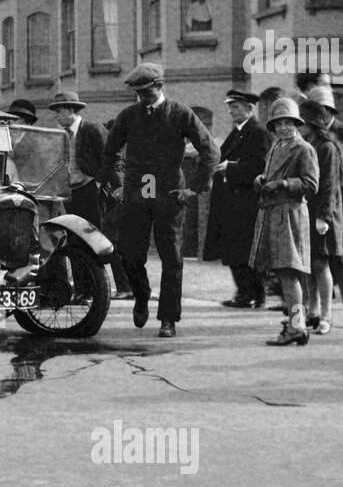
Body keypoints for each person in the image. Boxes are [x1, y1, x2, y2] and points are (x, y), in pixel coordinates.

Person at [101, 62, 219, 338]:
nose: (143, 98)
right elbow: (110, 153)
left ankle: (168, 318)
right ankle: (141, 296)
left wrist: (195, 188)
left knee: (172, 258)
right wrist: (116, 184)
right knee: (130, 254)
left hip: (169, 194)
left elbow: (210, 151)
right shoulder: (128, 116)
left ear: (160, 86)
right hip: (137, 193)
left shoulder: (180, 114)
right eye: (138, 94)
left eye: (147, 93)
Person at [250, 98, 319, 347]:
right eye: (279, 123)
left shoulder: (303, 149)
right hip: (273, 212)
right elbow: (271, 173)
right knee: (283, 272)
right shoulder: (276, 146)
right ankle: (296, 323)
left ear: (297, 124)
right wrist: (262, 178)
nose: (283, 128)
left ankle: (296, 326)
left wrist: (283, 184)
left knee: (289, 272)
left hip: (289, 214)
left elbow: (311, 185)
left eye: (288, 123)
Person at [48, 91, 130, 297]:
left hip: (92, 191)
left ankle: (123, 287)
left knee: (100, 238)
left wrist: (112, 185)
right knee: (75, 240)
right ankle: (84, 291)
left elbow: (113, 158)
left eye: (58, 111)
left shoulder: (93, 129)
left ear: (70, 110)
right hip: (70, 194)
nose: (55, 116)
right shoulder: (60, 135)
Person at [203, 89, 270, 308]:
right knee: (235, 251)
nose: (232, 112)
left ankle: (252, 294)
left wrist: (231, 168)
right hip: (233, 203)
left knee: (245, 252)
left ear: (250, 108)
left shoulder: (258, 132)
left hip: (246, 203)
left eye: (236, 107)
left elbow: (261, 166)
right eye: (231, 107)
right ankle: (244, 293)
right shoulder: (240, 131)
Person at [307, 85, 343, 329]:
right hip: (320, 201)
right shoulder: (309, 136)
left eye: (323, 110)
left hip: (342, 202)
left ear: (330, 111)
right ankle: (315, 310)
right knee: (316, 259)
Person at [298, 98, 343, 334]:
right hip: (306, 211)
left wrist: (323, 217)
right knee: (308, 265)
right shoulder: (306, 143)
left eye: (302, 122)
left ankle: (326, 315)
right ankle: (313, 311)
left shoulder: (327, 148)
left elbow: (329, 185)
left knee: (320, 263)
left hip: (321, 213)